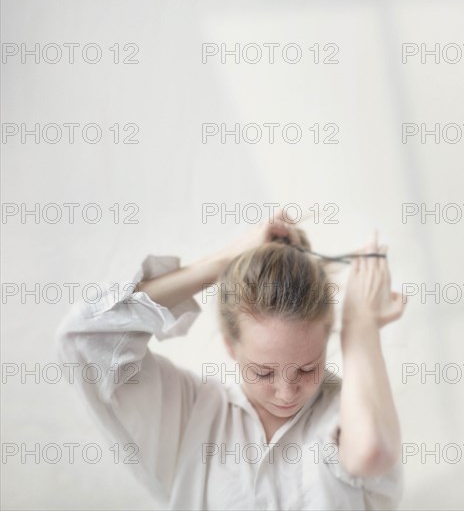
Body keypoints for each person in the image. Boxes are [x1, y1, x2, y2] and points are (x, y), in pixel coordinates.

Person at [55, 209, 406, 510]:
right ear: (230, 345)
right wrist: (220, 263)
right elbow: (84, 338)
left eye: (306, 368)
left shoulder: (346, 416)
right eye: (264, 372)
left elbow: (371, 453)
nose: (287, 392)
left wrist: (360, 327)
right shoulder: (192, 414)